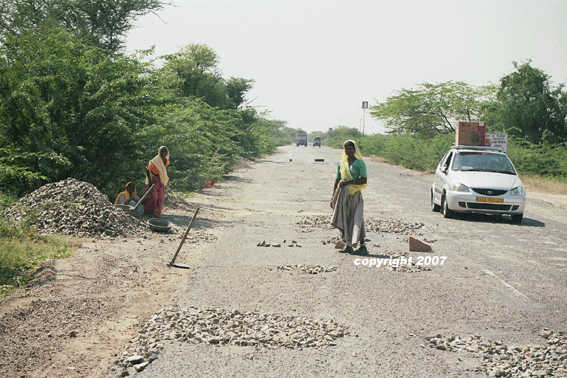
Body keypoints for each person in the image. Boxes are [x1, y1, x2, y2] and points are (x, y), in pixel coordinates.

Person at [331, 140, 368, 255]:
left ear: (354, 149)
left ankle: (362, 245)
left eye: (350, 149)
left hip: (354, 194)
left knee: (357, 218)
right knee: (345, 218)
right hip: (343, 195)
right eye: (346, 149)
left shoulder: (359, 163)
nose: (348, 151)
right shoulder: (341, 163)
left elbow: (364, 179)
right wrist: (333, 196)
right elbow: (337, 180)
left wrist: (349, 182)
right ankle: (348, 245)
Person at [143, 146, 170, 218]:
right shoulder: (155, 160)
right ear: (159, 152)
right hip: (154, 179)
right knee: (153, 196)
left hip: (161, 180)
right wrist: (150, 180)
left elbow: (162, 170)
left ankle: (157, 213)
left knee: (161, 197)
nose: (163, 153)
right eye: (162, 151)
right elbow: (148, 170)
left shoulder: (166, 160)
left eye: (165, 151)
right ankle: (149, 212)